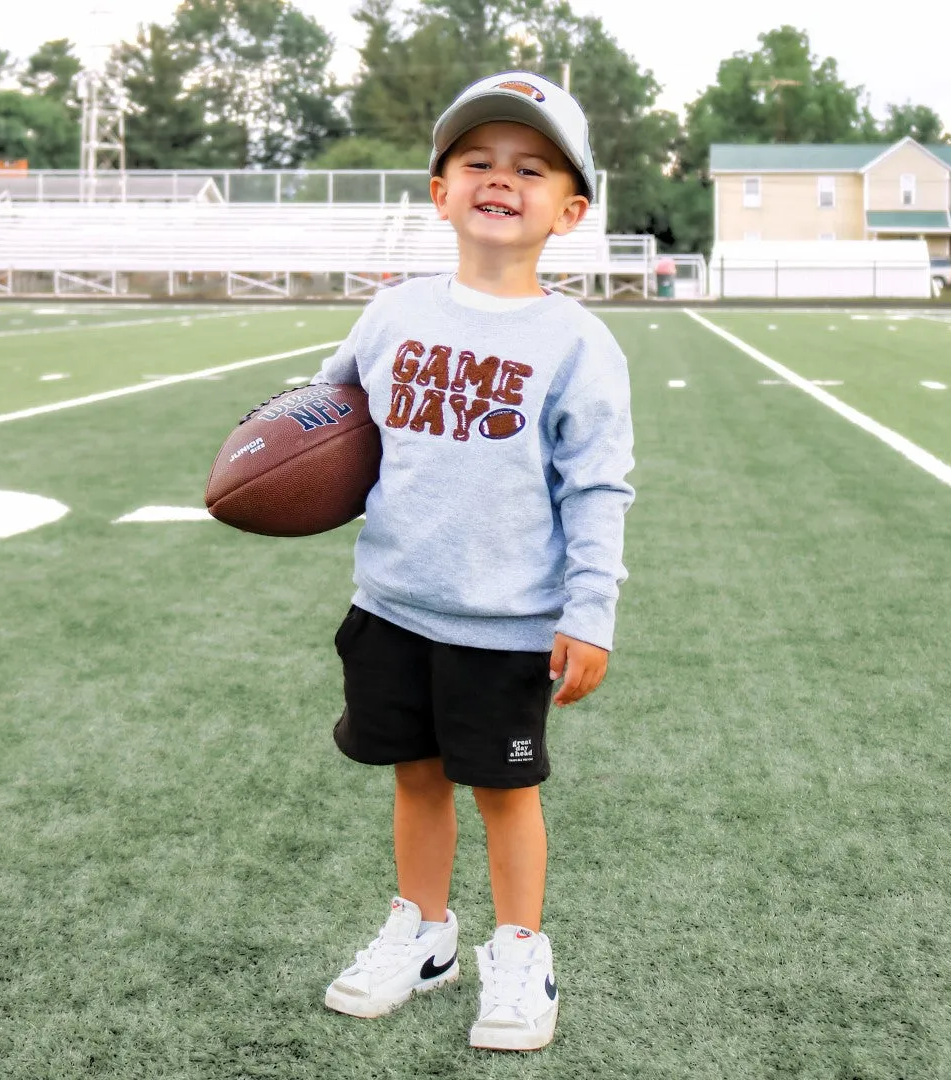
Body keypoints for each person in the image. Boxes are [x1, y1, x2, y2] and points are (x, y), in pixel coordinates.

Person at [311, 70, 635, 1052]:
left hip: (506, 620)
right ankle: (424, 933)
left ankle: (521, 948)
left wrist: (591, 609)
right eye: (478, 162)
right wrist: (269, 444)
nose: (502, 179)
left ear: (569, 210)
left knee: (504, 790)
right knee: (414, 776)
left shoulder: (578, 344)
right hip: (395, 600)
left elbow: (598, 489)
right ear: (440, 191)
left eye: (530, 167)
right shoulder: (395, 312)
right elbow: (327, 410)